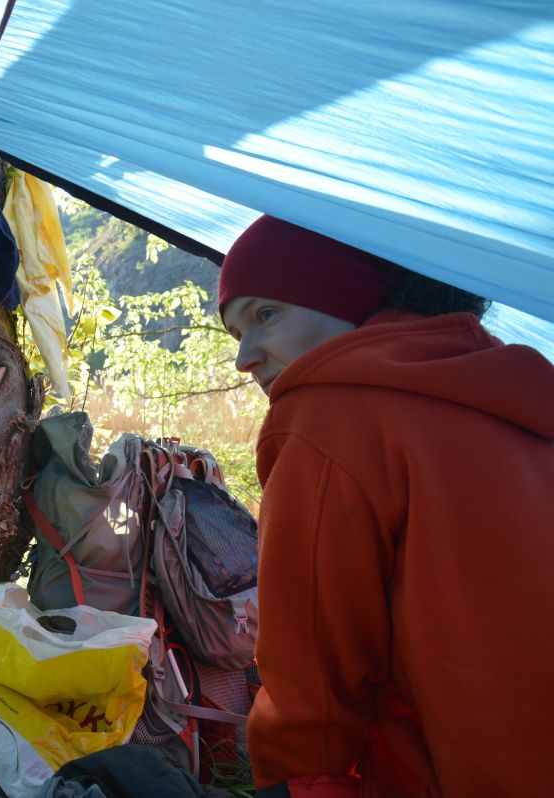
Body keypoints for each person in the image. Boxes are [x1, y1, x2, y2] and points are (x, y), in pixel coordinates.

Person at [216, 215, 554, 797]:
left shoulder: (328, 416)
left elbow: (312, 676)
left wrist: (302, 779)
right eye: (235, 333)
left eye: (265, 315)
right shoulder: (517, 394)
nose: (245, 357)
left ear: (344, 297)